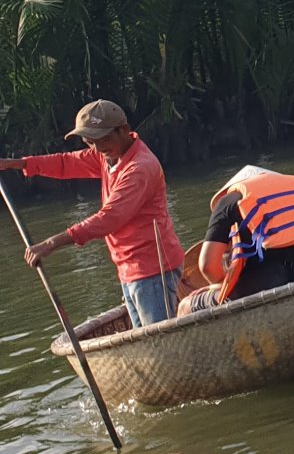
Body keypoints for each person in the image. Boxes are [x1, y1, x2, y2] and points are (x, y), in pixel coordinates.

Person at [0, 100, 184, 329]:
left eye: (104, 139)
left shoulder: (139, 168)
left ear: (124, 130)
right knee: (147, 339)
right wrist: (18, 164)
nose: (97, 148)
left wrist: (51, 243)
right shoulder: (108, 156)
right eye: (90, 141)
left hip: (152, 268)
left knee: (160, 342)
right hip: (129, 269)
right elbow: (66, 163)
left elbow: (109, 218)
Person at [179, 165, 294, 313]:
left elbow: (207, 266)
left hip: (274, 280)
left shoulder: (229, 201)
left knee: (186, 305)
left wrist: (217, 287)